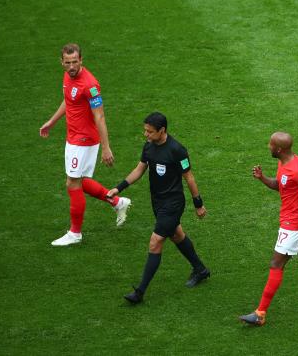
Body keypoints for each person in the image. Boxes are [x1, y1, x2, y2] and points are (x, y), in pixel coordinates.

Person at [106, 112, 210, 303]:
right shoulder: (149, 146)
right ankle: (201, 269)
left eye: (150, 131)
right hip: (157, 202)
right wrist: (118, 188)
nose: (146, 134)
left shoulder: (177, 150)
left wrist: (198, 204)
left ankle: (139, 292)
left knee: (155, 241)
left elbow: (189, 177)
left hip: (173, 203)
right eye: (145, 130)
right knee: (176, 235)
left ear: (162, 130)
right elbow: (139, 169)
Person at [39, 43, 131, 246]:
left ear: (81, 60)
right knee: (78, 180)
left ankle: (75, 233)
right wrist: (52, 122)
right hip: (73, 137)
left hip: (84, 139)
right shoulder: (68, 77)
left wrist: (106, 147)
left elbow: (100, 116)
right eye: (67, 62)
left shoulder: (90, 85)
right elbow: (69, 100)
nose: (71, 66)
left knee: (72, 183)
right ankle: (117, 201)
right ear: (62, 62)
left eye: (75, 62)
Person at [240, 132, 298, 326]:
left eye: (271, 144)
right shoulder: (282, 163)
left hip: (294, 225)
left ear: (278, 149)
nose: (268, 146)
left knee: (276, 264)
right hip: (292, 222)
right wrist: (262, 178)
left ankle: (260, 313)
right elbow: (281, 185)